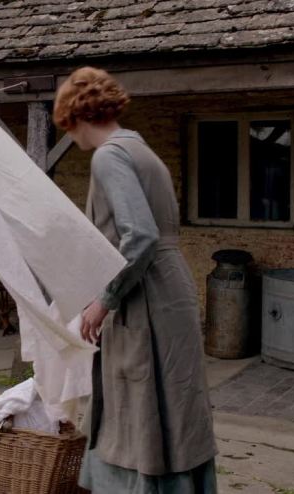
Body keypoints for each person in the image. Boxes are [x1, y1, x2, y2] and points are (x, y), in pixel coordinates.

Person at [53, 67, 218, 493]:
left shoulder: (109, 156)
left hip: (145, 295)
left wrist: (104, 300)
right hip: (168, 287)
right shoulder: (140, 149)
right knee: (172, 403)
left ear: (76, 116)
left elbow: (140, 236)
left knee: (141, 405)